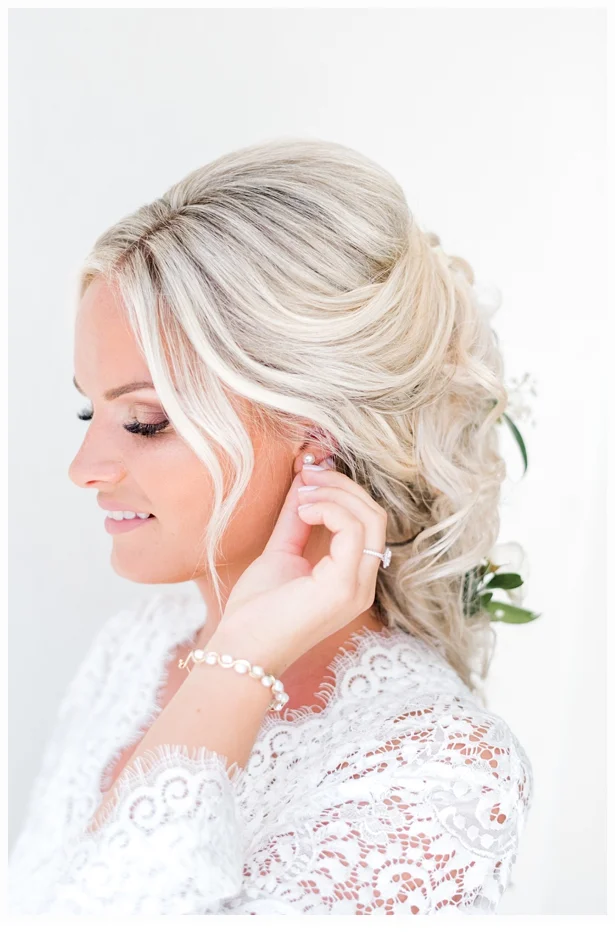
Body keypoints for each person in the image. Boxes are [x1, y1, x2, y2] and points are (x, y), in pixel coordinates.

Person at [8, 138, 534, 915]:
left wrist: (233, 672)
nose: (84, 467)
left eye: (146, 420)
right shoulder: (138, 649)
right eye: (92, 411)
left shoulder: (436, 770)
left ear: (316, 435)